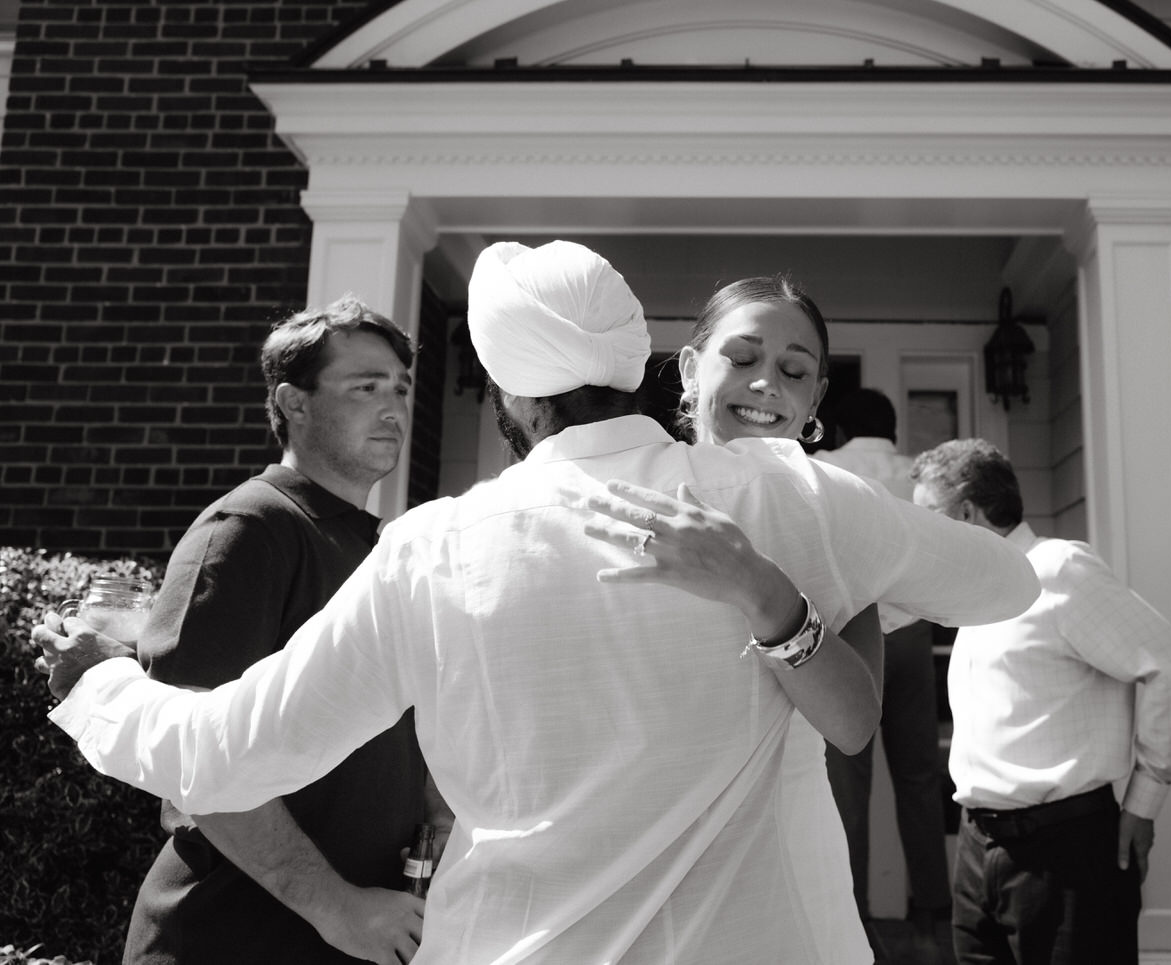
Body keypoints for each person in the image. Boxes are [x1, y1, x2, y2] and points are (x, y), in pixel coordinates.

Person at [36, 240, 1042, 965]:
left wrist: (99, 691)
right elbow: (1004, 581)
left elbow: (228, 751)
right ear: (642, 363)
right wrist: (833, 579)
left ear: (512, 395)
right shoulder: (786, 494)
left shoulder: (432, 549)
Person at [115, 295, 447, 965]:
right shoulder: (250, 528)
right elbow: (190, 763)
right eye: (365, 387)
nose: (393, 407)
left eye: (400, 388)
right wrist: (337, 905)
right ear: (295, 403)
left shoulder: (377, 547)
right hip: (228, 939)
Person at [911, 438, 1171, 965]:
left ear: (967, 513)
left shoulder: (1057, 569)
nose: (920, 533)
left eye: (928, 516)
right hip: (977, 851)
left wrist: (1144, 804)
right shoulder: (973, 593)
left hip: (1065, 856)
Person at [674, 278, 886, 961]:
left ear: (816, 397)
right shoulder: (630, 488)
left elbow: (854, 724)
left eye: (794, 370)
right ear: (688, 369)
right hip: (634, 858)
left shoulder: (836, 520)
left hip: (782, 871)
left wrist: (768, 596)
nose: (766, 382)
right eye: (741, 358)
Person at [815, 388, 953, 948]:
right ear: (894, 429)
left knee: (848, 784)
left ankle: (858, 923)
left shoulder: (823, 469)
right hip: (915, 637)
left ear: (844, 426)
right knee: (919, 780)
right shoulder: (919, 477)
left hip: (850, 637)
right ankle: (934, 921)